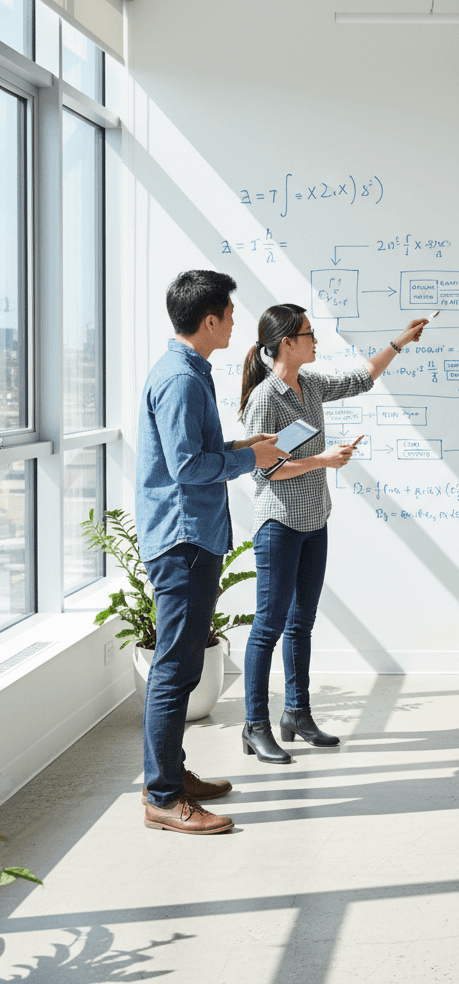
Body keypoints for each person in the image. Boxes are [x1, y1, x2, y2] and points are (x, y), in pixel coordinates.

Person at [239, 305, 430, 763]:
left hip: (313, 521)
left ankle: (297, 714)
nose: (315, 341)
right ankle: (254, 726)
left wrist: (399, 343)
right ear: (287, 342)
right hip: (279, 526)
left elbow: (362, 377)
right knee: (268, 627)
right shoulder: (266, 399)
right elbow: (265, 473)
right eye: (308, 334)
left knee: (301, 623)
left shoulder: (310, 386)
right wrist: (324, 460)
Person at [136, 270, 287, 834]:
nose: (233, 324)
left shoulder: (187, 373)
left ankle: (171, 774)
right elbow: (186, 468)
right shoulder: (180, 379)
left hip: (189, 537)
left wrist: (242, 447)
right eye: (228, 313)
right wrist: (250, 460)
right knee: (174, 670)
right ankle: (162, 797)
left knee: (181, 664)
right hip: (182, 541)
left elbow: (198, 452)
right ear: (209, 321)